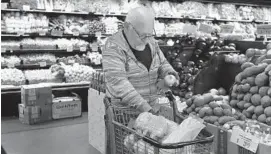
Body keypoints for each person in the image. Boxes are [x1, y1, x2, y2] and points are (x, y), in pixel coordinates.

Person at [102, 6, 179, 114]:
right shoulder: (113, 46)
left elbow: (162, 63)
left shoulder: (151, 42)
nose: (147, 40)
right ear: (127, 27)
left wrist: (168, 74)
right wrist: (145, 108)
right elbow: (118, 83)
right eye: (142, 35)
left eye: (150, 34)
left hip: (151, 110)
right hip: (124, 115)